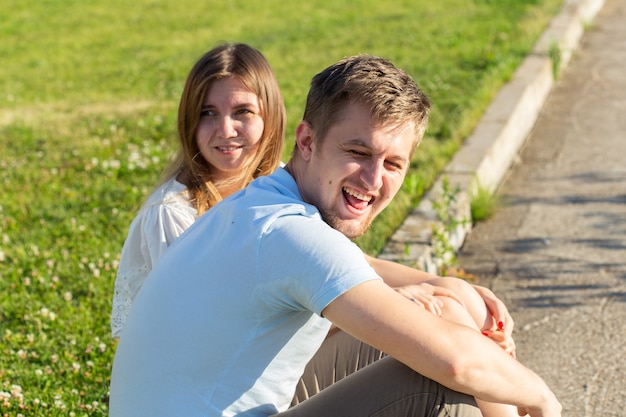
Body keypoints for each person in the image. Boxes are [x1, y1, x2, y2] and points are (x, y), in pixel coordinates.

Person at [109, 54, 561, 417]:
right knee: (439, 391)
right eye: (357, 151)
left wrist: (452, 294)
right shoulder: (290, 234)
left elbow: (368, 275)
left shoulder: (262, 204)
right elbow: (456, 362)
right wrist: (540, 397)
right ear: (306, 141)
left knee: (445, 319)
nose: (372, 178)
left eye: (393, 164)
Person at [110, 43, 286, 338]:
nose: (226, 130)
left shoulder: (278, 184)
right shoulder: (172, 214)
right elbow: (206, 333)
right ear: (190, 122)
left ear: (270, 117)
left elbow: (347, 266)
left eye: (243, 111)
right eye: (208, 113)